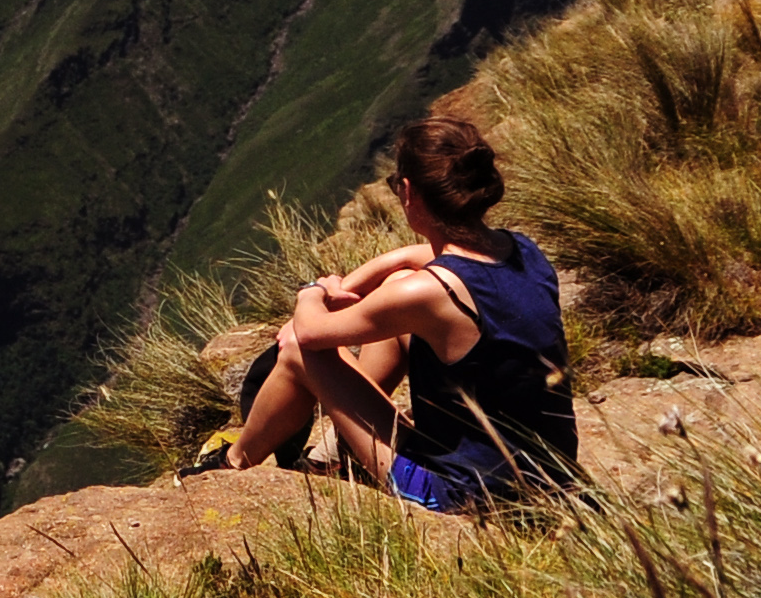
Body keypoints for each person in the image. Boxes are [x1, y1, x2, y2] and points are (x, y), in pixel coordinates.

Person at [188, 112, 574, 510]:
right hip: (547, 478)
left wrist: (314, 291)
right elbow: (413, 258)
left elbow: (308, 334)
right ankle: (341, 449)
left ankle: (232, 462)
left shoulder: (428, 293)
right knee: (394, 290)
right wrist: (353, 285)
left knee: (301, 356)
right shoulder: (520, 249)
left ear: (408, 192)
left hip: (461, 496)